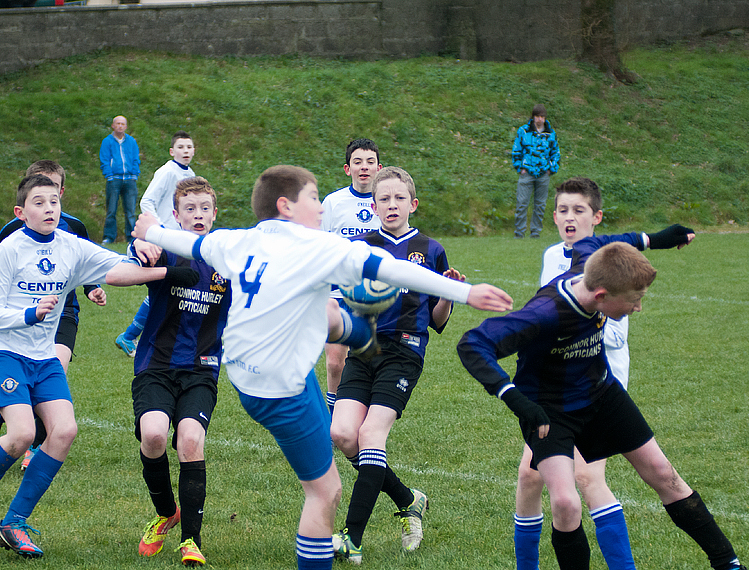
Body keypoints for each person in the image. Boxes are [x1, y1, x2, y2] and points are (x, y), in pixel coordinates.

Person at [132, 164, 513, 570]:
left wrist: (150, 228)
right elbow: (395, 269)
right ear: (286, 206)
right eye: (313, 198)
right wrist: (465, 291)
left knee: (326, 314)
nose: (321, 206)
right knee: (325, 492)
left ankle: (348, 329)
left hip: (249, 378)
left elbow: (174, 239)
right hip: (280, 391)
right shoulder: (318, 248)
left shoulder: (234, 241)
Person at [457, 229, 748, 570]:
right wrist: (516, 399)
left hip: (600, 392)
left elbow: (595, 242)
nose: (638, 307)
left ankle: (728, 564)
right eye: (634, 299)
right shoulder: (544, 314)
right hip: (549, 411)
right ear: (601, 294)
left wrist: (656, 239)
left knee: (663, 473)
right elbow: (473, 344)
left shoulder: (589, 261)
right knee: (566, 503)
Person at [0, 174, 196, 560]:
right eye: (38, 202)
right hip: (3, 350)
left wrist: (148, 256)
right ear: (21, 212)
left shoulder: (71, 246)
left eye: (53, 201)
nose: (48, 208)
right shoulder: (10, 249)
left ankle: (13, 523)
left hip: (43, 357)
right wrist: (29, 313)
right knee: (21, 434)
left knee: (65, 431)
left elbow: (118, 268)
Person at [331, 166, 461, 564]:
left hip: (404, 352)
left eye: (399, 198)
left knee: (371, 434)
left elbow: (438, 321)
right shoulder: (362, 247)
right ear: (373, 206)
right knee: (342, 434)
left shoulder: (431, 249)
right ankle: (408, 499)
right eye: (384, 199)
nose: (391, 205)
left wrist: (448, 293)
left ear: (413, 204)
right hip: (364, 349)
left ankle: (351, 538)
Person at [515, 177, 636, 569]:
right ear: (553, 217)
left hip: (595, 386)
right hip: (555, 386)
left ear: (596, 217)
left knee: (587, 478)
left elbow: (615, 332)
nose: (570, 218)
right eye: (563, 210)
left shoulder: (613, 260)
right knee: (530, 476)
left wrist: (569, 327)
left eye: (579, 211)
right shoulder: (553, 256)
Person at [0, 160, 106, 476]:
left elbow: (88, 263)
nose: (48, 201)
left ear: (61, 191)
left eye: (54, 191)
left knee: (51, 375)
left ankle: (35, 448)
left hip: (62, 315)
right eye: (38, 193)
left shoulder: (73, 228)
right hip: (17, 322)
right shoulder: (12, 233)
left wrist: (92, 289)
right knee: (8, 392)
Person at [131, 177, 228, 567]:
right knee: (153, 435)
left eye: (205, 208)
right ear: (176, 215)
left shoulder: (228, 258)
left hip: (202, 369)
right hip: (155, 364)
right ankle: (166, 512)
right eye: (190, 209)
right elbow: (121, 272)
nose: (199, 215)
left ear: (215, 213)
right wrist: (153, 259)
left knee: (190, 440)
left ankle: (191, 540)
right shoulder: (165, 249)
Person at [115, 130, 196, 357]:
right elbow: (147, 201)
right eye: (180, 147)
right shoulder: (167, 172)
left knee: (172, 289)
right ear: (172, 151)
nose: (185, 151)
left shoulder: (190, 175)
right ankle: (131, 336)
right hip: (165, 242)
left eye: (189, 147)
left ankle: (133, 336)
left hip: (181, 242)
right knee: (165, 288)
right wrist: (157, 231)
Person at [321, 138, 382, 413]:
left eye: (370, 162)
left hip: (377, 293)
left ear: (379, 168)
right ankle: (333, 413)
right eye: (358, 162)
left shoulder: (388, 202)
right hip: (337, 292)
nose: (364, 167)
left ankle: (364, 413)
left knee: (372, 360)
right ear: (348, 169)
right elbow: (319, 247)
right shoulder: (333, 203)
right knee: (336, 361)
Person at [511, 104, 560, 239]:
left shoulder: (550, 133)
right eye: (538, 116)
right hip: (526, 172)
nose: (540, 119)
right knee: (522, 203)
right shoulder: (524, 131)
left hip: (543, 173)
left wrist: (551, 169)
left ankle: (535, 232)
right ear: (533, 117)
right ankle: (519, 233)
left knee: (540, 205)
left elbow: (555, 152)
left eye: (542, 117)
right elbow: (516, 149)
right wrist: (520, 167)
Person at [100, 115, 141, 244]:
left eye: (122, 124)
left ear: (126, 126)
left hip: (130, 180)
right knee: (111, 210)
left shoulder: (131, 141)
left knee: (130, 212)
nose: (120, 126)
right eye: (117, 123)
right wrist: (109, 175)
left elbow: (135, 159)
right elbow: (104, 160)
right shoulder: (107, 141)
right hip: (114, 180)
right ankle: (109, 237)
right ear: (113, 125)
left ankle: (132, 237)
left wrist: (134, 173)